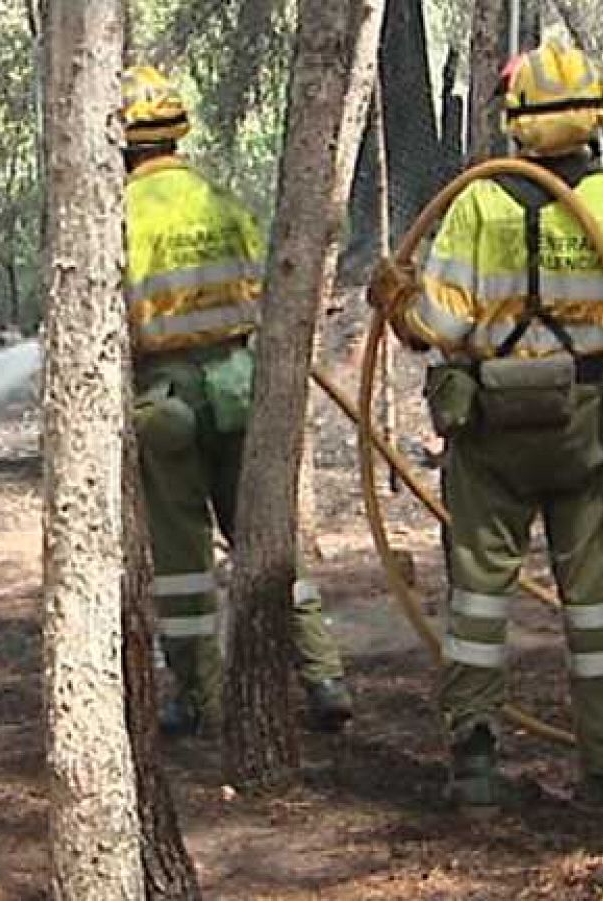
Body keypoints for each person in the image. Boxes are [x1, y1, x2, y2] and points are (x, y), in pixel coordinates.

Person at [371, 43, 603, 813]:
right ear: (598, 118)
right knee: (595, 604)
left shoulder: (479, 204)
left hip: (490, 431)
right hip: (587, 428)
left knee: (478, 601)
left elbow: (440, 321)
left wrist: (398, 303)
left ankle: (473, 767)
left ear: (515, 122)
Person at [121, 65, 354, 737]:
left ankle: (201, 696)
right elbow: (264, 287)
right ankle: (324, 674)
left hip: (167, 399)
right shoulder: (220, 201)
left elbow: (117, 322)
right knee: (264, 537)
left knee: (183, 559)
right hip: (240, 385)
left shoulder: (119, 215)